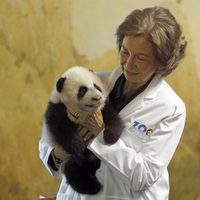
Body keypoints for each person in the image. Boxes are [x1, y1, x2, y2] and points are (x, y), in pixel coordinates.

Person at [39, 6, 187, 200]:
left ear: (162, 61)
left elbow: (143, 176)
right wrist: (57, 153)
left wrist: (100, 134)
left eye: (140, 58)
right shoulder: (91, 83)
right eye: (125, 51)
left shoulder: (170, 108)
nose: (128, 64)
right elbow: (49, 134)